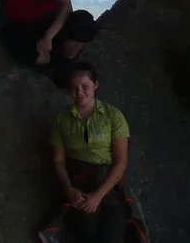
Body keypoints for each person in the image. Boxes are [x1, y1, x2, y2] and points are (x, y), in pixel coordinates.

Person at [50, 62, 131, 243]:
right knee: (86, 234)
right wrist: (69, 189)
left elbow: (121, 162)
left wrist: (99, 195)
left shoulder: (113, 116)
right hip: (79, 183)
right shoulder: (61, 120)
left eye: (85, 87)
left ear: (95, 85)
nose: (79, 93)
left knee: (113, 237)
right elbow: (58, 161)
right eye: (73, 88)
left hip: (108, 184)